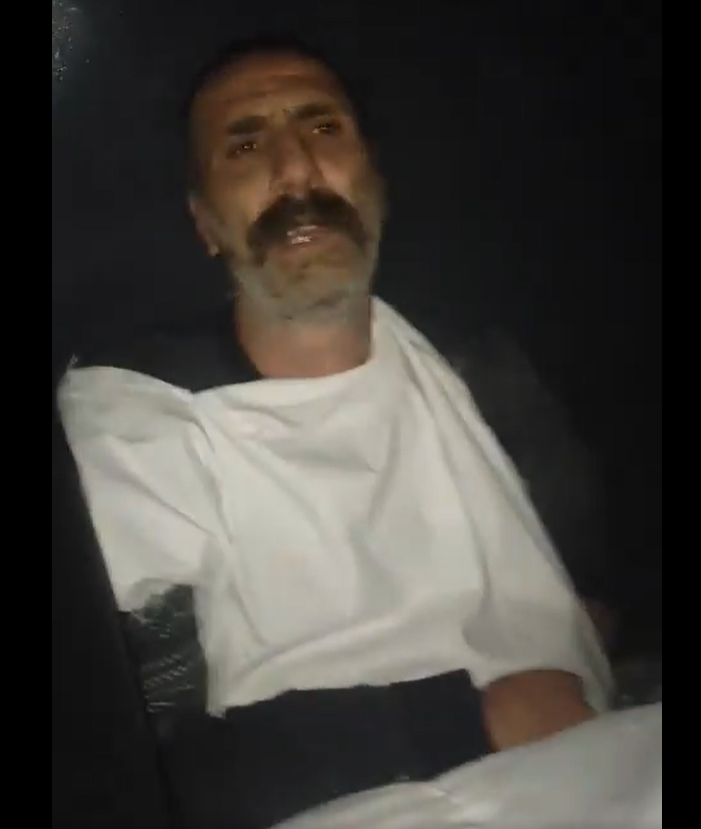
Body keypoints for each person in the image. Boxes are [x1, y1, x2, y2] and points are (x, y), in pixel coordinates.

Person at [57, 37, 614, 829]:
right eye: (245, 146)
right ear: (205, 222)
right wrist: (471, 719)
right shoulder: (139, 412)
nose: (296, 170)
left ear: (374, 183)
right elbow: (127, 759)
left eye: (323, 129)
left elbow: (594, 579)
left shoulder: (477, 368)